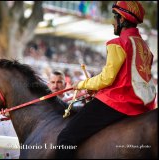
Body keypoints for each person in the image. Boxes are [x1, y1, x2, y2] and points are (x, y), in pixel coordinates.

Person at [56, 1, 157, 159]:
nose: (113, 22)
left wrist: (80, 85)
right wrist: (95, 88)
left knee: (65, 138)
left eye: (115, 17)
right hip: (143, 106)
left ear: (122, 20)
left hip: (118, 102)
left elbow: (107, 78)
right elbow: (129, 77)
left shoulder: (118, 43)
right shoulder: (145, 48)